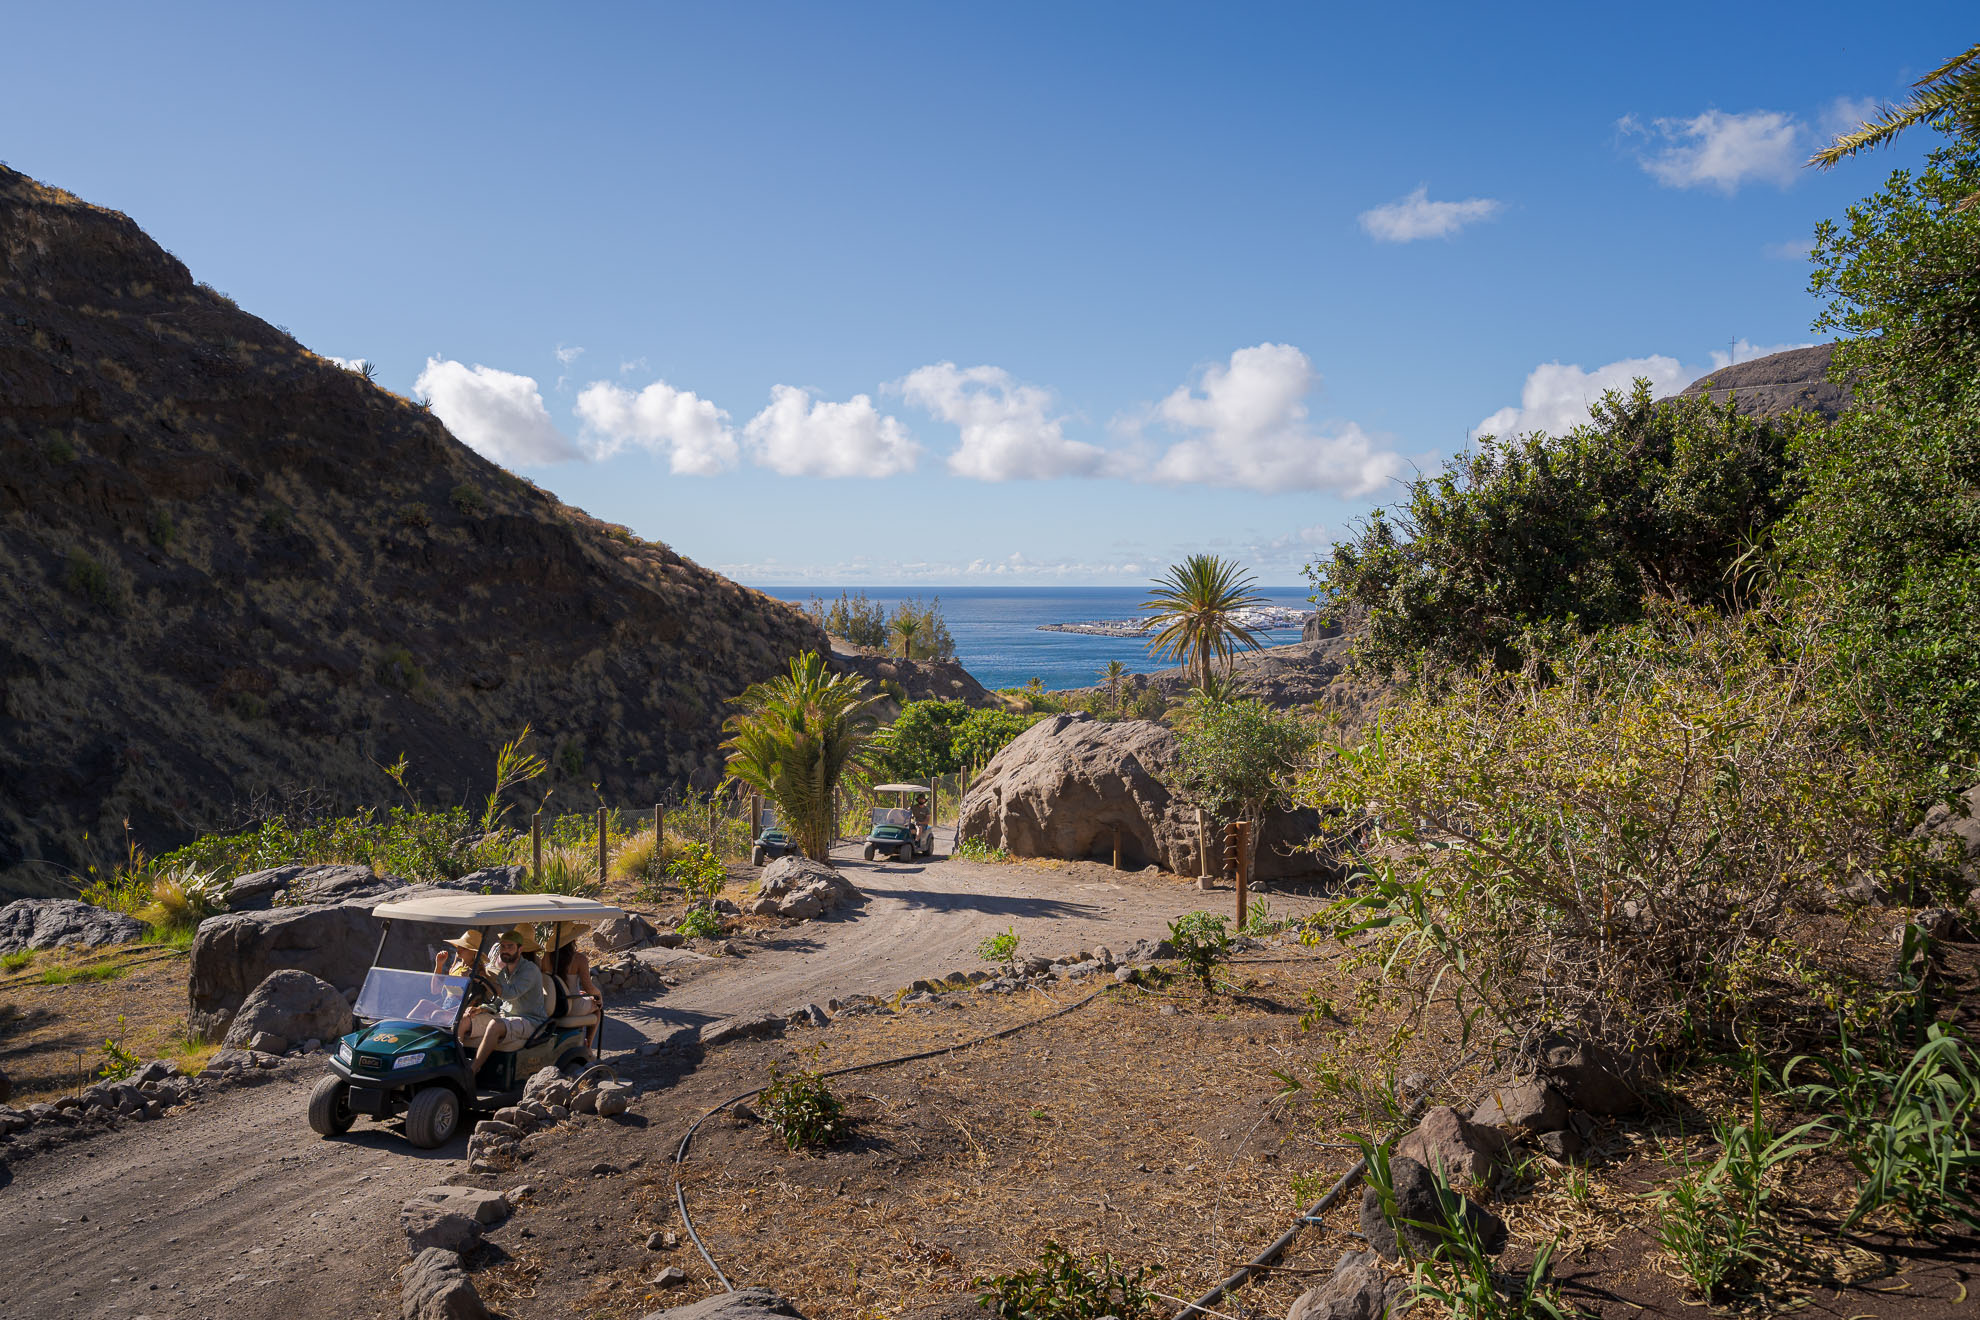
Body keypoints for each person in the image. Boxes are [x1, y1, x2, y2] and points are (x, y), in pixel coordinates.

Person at [458, 928, 548, 1074]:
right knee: (464, 1019)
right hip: (506, 1017)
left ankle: (472, 1070)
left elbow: (509, 994)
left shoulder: (530, 970)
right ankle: (457, 1063)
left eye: (510, 947)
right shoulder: (504, 973)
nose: (505, 950)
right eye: (503, 947)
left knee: (494, 1025)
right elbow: (498, 1001)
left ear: (520, 949)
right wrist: (482, 1008)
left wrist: (485, 980)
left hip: (530, 1020)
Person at [549, 933, 603, 1049]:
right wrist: (598, 994)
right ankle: (587, 1047)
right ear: (573, 939)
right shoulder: (579, 959)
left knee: (585, 999)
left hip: (551, 1005)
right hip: (572, 1006)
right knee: (597, 1009)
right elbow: (589, 987)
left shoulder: (547, 958)